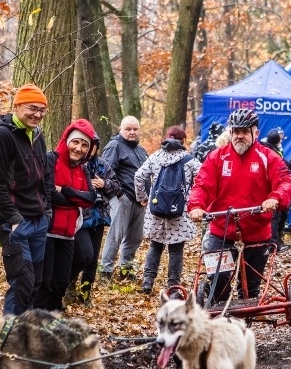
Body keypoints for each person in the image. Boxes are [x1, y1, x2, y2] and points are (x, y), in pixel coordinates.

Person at [188, 108, 291, 299]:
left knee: (250, 288)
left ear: (256, 133)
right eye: (236, 131)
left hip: (256, 232)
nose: (240, 136)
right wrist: (196, 206)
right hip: (221, 231)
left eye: (245, 131)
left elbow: (286, 181)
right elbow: (202, 184)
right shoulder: (217, 157)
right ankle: (223, 318)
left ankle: (245, 324)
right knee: (218, 281)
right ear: (230, 132)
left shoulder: (268, 157)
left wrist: (275, 197)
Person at [0, 83, 52, 316]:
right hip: (13, 222)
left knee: (35, 282)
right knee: (22, 281)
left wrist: (48, 210)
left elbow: (45, 176)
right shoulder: (1, 136)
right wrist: (14, 219)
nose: (37, 114)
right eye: (32, 108)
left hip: (39, 219)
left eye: (42, 110)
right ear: (17, 106)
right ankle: (8, 335)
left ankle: (23, 332)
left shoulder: (38, 135)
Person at [34, 120, 98, 311]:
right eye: (76, 142)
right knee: (44, 283)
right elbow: (49, 194)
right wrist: (76, 199)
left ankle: (54, 319)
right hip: (47, 231)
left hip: (69, 234)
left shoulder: (83, 169)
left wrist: (67, 192)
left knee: (61, 282)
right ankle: (38, 320)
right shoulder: (51, 159)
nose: (79, 148)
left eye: (84, 145)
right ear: (67, 140)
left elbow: (90, 199)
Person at [134, 126, 202, 293]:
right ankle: (173, 286)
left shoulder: (155, 157)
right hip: (179, 210)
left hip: (156, 208)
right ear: (183, 141)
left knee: (155, 245)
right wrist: (194, 198)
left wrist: (142, 197)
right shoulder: (189, 160)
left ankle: (148, 281)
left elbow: (138, 176)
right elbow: (203, 178)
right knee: (176, 250)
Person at [67, 138, 122, 305]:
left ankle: (85, 295)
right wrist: (85, 187)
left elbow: (117, 187)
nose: (87, 150)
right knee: (83, 255)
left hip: (99, 217)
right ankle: (70, 285)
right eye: (85, 146)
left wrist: (104, 183)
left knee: (92, 260)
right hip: (80, 217)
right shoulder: (74, 165)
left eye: (91, 147)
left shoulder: (102, 165)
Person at [99, 116, 149, 280]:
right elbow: (105, 171)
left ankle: (126, 270)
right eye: (128, 129)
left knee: (135, 238)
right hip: (122, 198)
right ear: (121, 129)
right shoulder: (115, 146)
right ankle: (105, 271)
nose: (132, 132)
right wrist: (118, 193)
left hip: (140, 200)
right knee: (116, 235)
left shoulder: (140, 150)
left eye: (135, 129)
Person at [261, 127, 291, 252]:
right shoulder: (272, 152)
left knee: (278, 216)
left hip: (275, 188)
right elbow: (287, 166)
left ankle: (275, 241)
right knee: (275, 217)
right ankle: (273, 243)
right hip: (272, 188)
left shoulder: (266, 148)